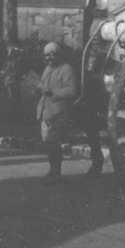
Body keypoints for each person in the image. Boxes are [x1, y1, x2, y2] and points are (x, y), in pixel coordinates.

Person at [36, 42, 76, 185]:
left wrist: (53, 93)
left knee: (53, 143)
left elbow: (72, 90)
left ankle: (56, 173)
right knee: (49, 144)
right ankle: (53, 171)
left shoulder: (66, 69)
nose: (49, 58)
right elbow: (42, 85)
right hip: (45, 113)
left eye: (52, 54)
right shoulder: (47, 69)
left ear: (59, 55)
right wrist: (38, 89)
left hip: (59, 112)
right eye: (47, 55)